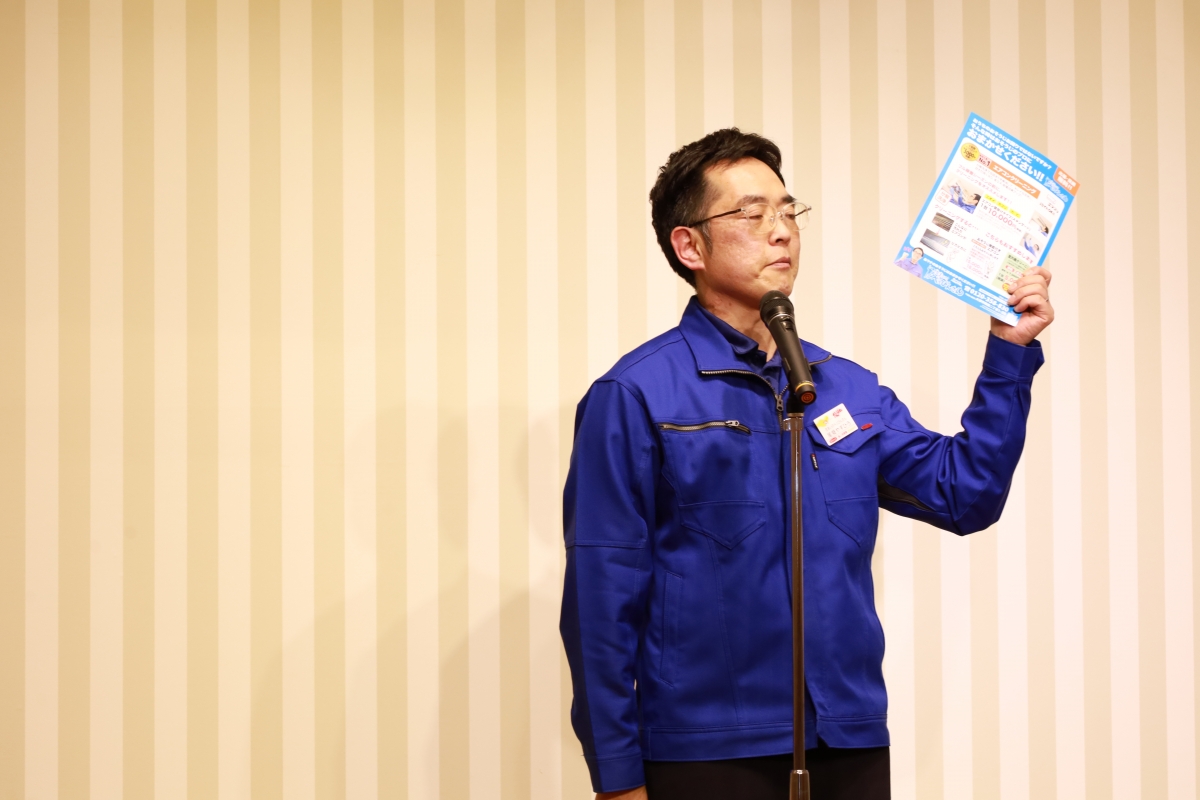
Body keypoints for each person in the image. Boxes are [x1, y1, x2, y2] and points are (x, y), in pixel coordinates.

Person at [559, 129, 1053, 800]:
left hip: (848, 743)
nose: (782, 230)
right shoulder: (636, 394)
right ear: (690, 246)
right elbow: (600, 596)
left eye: (790, 211)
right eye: (751, 213)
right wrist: (617, 778)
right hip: (706, 751)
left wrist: (1009, 352)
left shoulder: (844, 387)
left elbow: (966, 495)